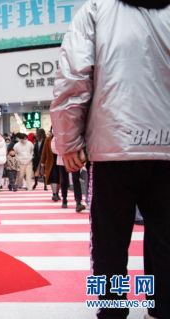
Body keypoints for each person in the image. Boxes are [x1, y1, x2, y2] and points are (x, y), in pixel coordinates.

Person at [50, 1, 170, 318]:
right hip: (166, 148)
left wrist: (68, 139)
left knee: (110, 243)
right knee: (165, 240)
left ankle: (113, 311)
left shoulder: (96, 9)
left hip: (113, 147)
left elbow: (73, 75)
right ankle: (161, 308)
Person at [40, 128, 61, 202]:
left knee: (59, 178)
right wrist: (42, 163)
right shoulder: (48, 139)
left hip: (61, 161)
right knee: (53, 177)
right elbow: (44, 151)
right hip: (50, 162)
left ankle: (57, 193)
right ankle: (54, 194)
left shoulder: (62, 138)